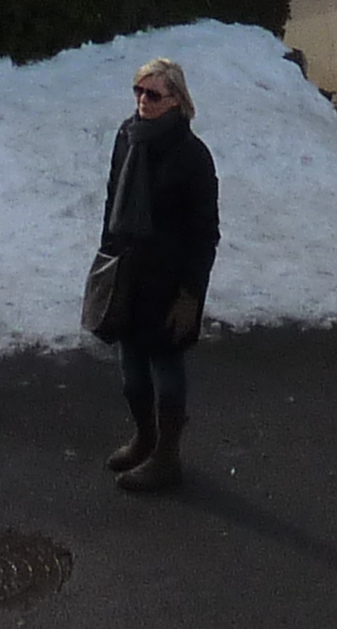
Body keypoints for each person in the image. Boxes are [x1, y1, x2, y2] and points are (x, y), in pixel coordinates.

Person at [92, 55, 218, 495]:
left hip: (168, 282)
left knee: (166, 367)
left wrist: (190, 293)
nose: (143, 101)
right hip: (129, 272)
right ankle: (144, 436)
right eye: (138, 92)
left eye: (153, 94)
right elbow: (113, 200)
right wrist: (107, 255)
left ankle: (167, 456)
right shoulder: (128, 139)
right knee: (131, 370)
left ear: (176, 100)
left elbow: (205, 232)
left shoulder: (192, 157)